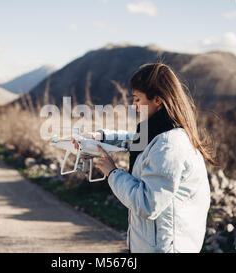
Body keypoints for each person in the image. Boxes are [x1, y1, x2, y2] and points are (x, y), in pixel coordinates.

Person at [78, 63, 216, 253]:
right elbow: (133, 141)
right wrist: (100, 138)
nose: (133, 106)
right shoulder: (157, 133)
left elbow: (147, 204)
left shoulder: (169, 144)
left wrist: (112, 172)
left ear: (157, 100)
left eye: (137, 99)